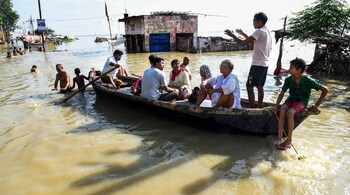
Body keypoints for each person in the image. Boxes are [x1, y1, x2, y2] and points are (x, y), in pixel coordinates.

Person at [273, 58, 328, 150]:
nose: (289, 69)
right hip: (291, 100)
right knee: (282, 110)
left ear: (299, 70)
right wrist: (276, 105)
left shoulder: (307, 80)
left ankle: (289, 140)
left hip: (301, 102)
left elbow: (325, 90)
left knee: (290, 113)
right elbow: (282, 93)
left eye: (292, 67)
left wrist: (317, 105)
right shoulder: (288, 80)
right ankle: (279, 138)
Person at [225, 12, 272, 108]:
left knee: (249, 86)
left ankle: (252, 108)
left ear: (259, 22)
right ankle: (259, 106)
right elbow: (254, 43)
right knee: (260, 87)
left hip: (257, 65)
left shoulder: (259, 31)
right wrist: (243, 34)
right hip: (264, 64)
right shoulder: (267, 31)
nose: (253, 23)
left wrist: (232, 35)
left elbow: (242, 43)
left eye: (254, 21)